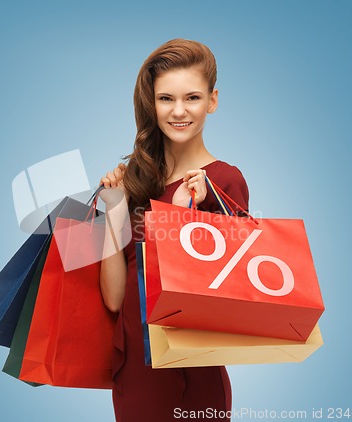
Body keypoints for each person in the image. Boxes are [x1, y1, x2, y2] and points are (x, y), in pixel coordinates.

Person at [99, 39, 249, 422]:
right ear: (152, 103)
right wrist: (113, 213)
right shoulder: (132, 180)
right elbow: (116, 300)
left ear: (212, 101)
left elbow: (219, 300)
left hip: (191, 369)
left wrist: (181, 219)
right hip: (134, 368)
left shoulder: (223, 182)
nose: (178, 111)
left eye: (192, 97)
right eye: (166, 98)